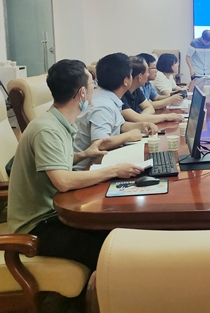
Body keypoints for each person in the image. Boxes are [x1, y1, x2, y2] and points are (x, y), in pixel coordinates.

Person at [8, 59, 144, 273]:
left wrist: (84, 154)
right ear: (81, 93)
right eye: (92, 85)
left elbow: (54, 163)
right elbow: (62, 181)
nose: (94, 90)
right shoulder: (47, 129)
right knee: (113, 252)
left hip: (56, 213)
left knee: (120, 232)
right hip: (38, 226)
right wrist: (114, 170)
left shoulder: (58, 122)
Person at [73, 53, 158, 169]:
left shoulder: (106, 96)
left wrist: (141, 125)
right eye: (130, 75)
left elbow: (118, 126)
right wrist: (128, 136)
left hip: (102, 160)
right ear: (126, 81)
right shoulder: (103, 107)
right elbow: (100, 144)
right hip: (88, 169)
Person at [121, 56, 183, 124]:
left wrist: (142, 118)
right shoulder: (121, 94)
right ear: (140, 77)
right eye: (147, 72)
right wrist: (166, 117)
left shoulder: (136, 90)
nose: (148, 75)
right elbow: (137, 118)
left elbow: (149, 107)